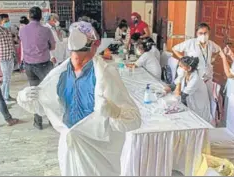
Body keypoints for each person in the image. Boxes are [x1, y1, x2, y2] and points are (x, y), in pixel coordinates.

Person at [17, 21, 141, 175]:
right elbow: (44, 108)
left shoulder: (106, 75)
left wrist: (114, 111)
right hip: (69, 148)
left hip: (97, 152)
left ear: (97, 43)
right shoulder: (60, 74)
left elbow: (134, 119)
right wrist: (25, 98)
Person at [19, 6, 56, 130]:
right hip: (44, 65)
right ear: (41, 17)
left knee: (34, 93)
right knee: (49, 92)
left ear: (29, 16)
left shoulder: (22, 30)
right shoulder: (46, 30)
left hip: (29, 65)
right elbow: (52, 47)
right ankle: (52, 119)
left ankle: (38, 123)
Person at [172, 23, 221, 100]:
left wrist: (213, 58)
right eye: (200, 33)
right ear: (197, 33)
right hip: (194, 75)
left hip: (207, 76)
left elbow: (219, 50)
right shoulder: (191, 43)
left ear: (209, 33)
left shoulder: (211, 44)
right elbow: (174, 48)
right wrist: (184, 59)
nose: (203, 35)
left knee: (205, 97)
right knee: (192, 98)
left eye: (205, 33)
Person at [165, 56, 212, 123]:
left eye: (181, 66)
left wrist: (179, 81)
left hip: (198, 109)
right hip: (189, 102)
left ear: (189, 68)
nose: (179, 68)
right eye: (179, 66)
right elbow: (173, 86)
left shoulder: (195, 79)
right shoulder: (185, 73)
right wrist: (163, 91)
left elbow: (180, 96)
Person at [0, 14, 16, 104]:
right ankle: (4, 98)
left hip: (10, 57)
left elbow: (11, 43)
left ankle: (7, 94)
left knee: (9, 78)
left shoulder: (8, 30)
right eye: (5, 21)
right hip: (3, 58)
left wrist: (15, 55)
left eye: (8, 21)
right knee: (5, 78)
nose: (8, 23)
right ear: (0, 22)